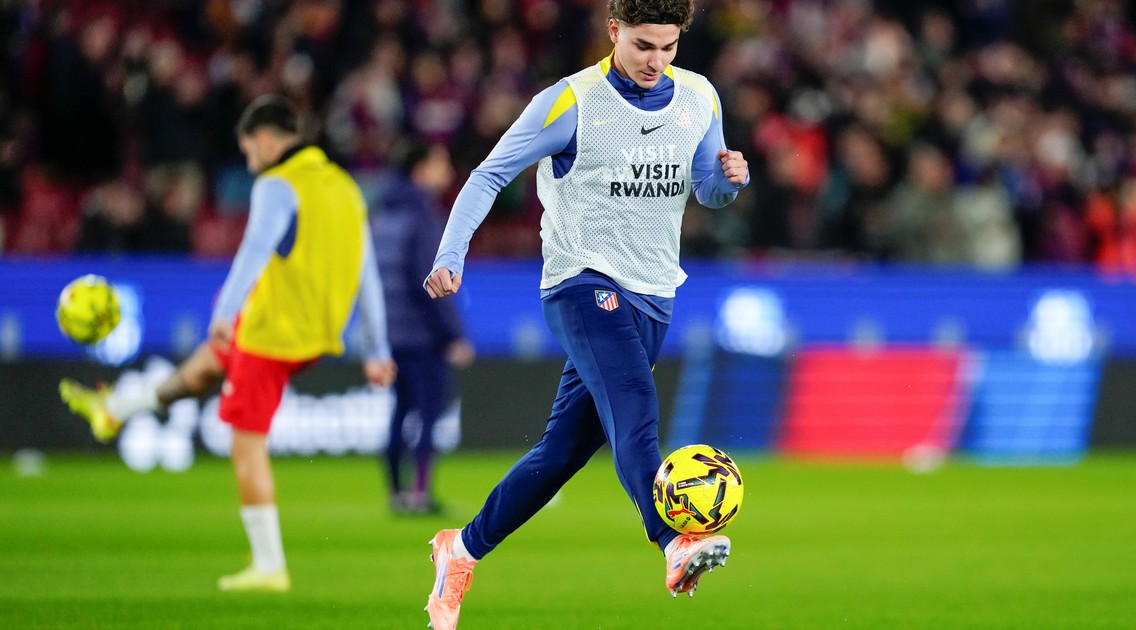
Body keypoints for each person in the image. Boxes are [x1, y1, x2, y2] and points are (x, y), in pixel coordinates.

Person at [420, 1, 749, 627]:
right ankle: (673, 541)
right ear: (614, 31)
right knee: (636, 401)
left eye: (668, 48)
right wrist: (450, 255)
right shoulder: (570, 103)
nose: (656, 61)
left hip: (654, 293)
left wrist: (729, 180)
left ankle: (459, 549)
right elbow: (489, 175)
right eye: (644, 46)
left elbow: (707, 189)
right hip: (581, 282)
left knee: (561, 454)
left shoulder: (699, 97)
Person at [58, 95, 397, 593]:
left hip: (272, 333)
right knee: (204, 368)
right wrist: (377, 348)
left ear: (264, 139)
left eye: (248, 150)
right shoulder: (345, 187)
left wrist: (223, 313)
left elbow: (254, 250)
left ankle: (269, 565)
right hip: (315, 330)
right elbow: (366, 271)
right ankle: (115, 410)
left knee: (246, 444)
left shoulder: (277, 185)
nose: (249, 160)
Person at [372, 141, 475, 515]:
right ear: (421, 169)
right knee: (429, 413)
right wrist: (454, 335)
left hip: (392, 332)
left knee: (400, 410)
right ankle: (419, 493)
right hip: (422, 335)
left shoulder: (383, 215)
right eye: (440, 163)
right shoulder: (422, 217)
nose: (447, 170)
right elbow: (432, 282)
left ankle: (396, 492)